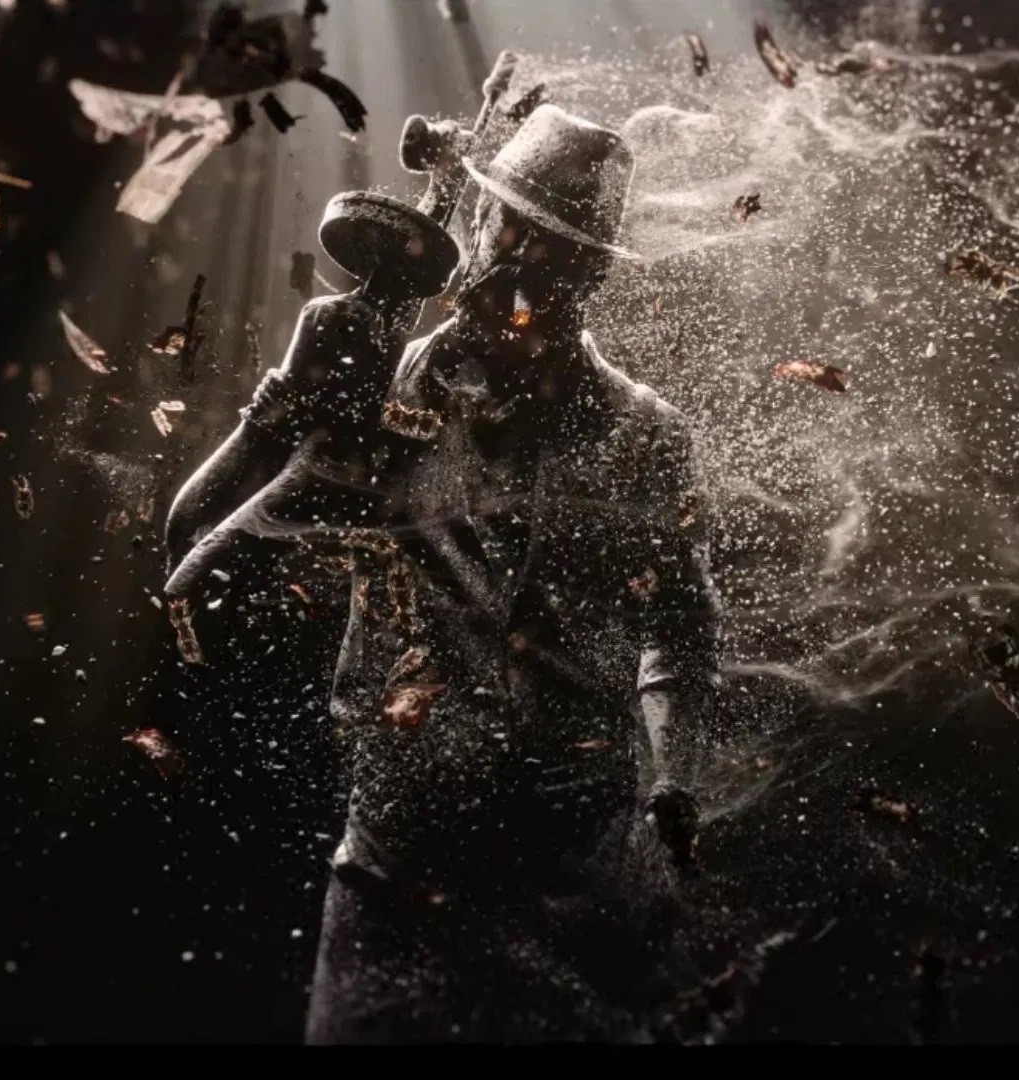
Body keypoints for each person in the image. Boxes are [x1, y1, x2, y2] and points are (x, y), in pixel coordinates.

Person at [166, 105, 723, 1043]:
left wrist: (676, 782)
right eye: (507, 230)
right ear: (474, 222)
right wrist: (293, 407)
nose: (517, 267)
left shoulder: (648, 436)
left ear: (591, 275)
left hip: (578, 877)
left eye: (553, 251)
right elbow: (192, 559)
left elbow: (681, 626)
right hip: (397, 862)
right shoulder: (385, 393)